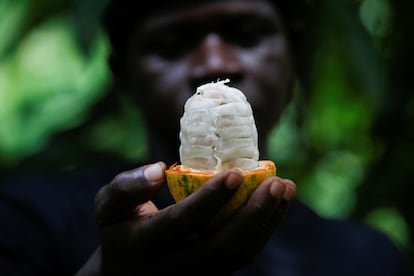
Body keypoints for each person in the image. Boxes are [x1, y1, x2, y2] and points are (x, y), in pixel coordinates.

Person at [0, 0, 412, 275]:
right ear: (123, 75)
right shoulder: (26, 220)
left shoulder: (367, 260)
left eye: (247, 34)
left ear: (295, 60)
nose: (214, 62)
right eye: (172, 44)